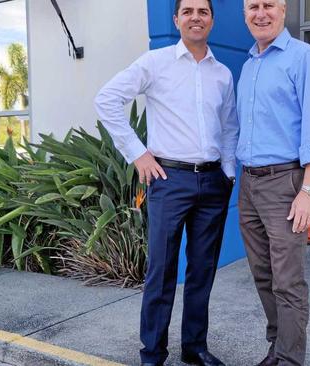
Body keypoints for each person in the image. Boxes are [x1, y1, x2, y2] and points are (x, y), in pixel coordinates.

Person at [94, 1, 238, 365]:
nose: (195, 17)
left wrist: (229, 171)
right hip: (168, 180)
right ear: (176, 20)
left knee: (202, 269)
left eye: (202, 11)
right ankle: (152, 353)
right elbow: (107, 100)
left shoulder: (222, 74)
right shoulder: (154, 63)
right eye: (187, 11)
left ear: (211, 20)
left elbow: (230, 127)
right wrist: (138, 154)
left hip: (212, 181)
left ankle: (194, 347)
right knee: (161, 271)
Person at [236, 0, 310, 365]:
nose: (260, 13)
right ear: (245, 13)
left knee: (287, 281)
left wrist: (309, 189)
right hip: (249, 184)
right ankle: (277, 348)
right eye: (252, 6)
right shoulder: (249, 66)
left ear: (284, 9)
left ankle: (290, 360)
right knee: (262, 275)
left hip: (285, 182)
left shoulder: (303, 57)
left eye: (268, 5)